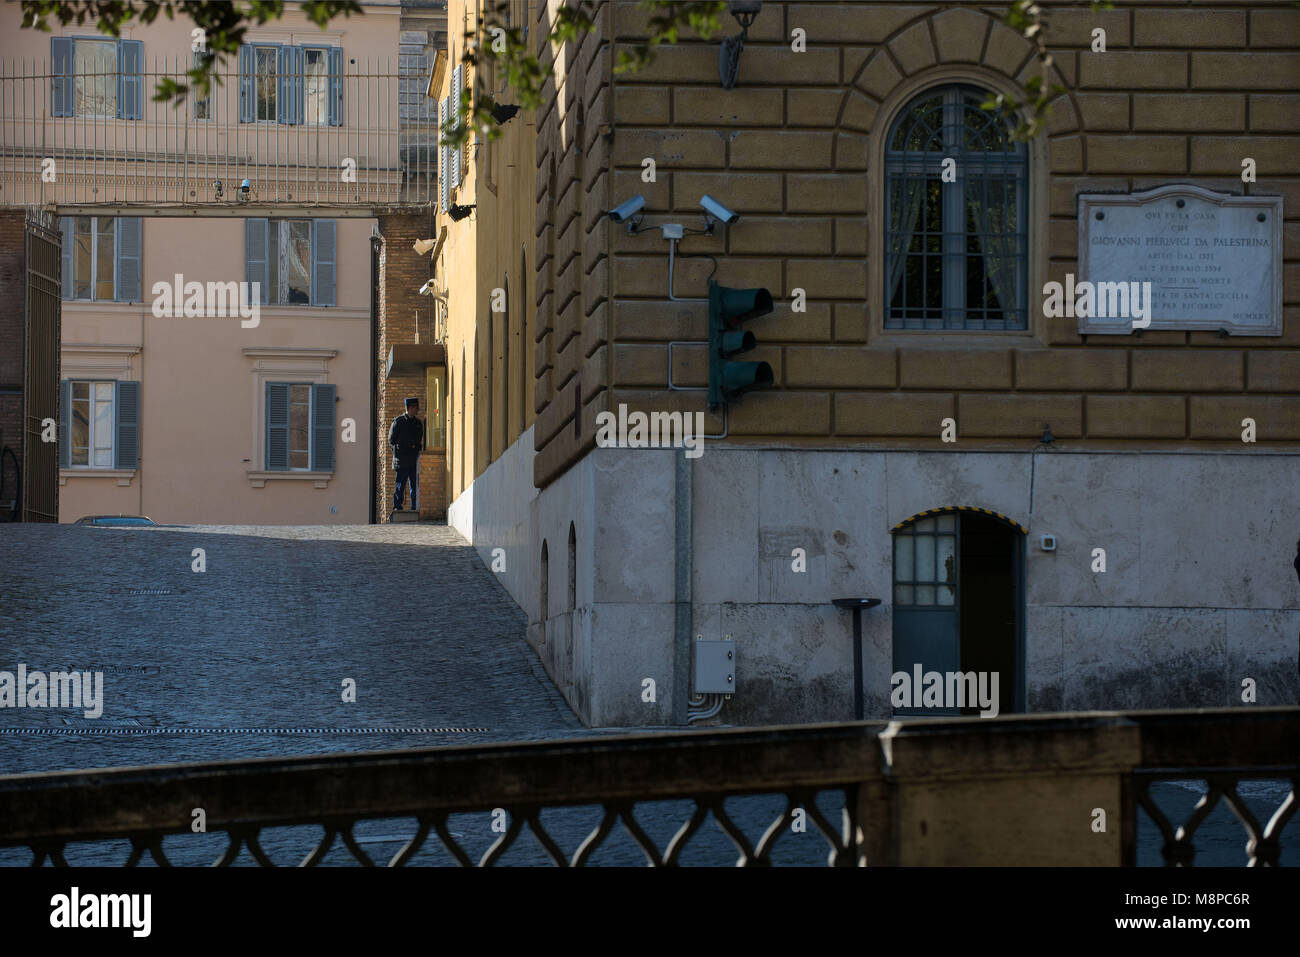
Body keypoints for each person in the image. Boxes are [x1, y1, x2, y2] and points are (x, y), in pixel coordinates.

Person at [389, 397, 424, 513]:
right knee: (400, 485)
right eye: (415, 408)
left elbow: (419, 441)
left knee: (414, 486)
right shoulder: (398, 422)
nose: (417, 410)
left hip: (413, 459)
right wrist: (399, 452)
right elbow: (391, 441)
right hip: (402, 460)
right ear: (409, 408)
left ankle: (414, 507)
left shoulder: (418, 423)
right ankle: (397, 506)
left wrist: (415, 447)